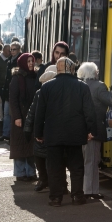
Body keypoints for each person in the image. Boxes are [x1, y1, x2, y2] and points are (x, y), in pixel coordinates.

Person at [34, 57, 96, 207]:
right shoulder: (82, 87)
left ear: (58, 69)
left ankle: (55, 198)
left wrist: (38, 133)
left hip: (53, 134)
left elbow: (39, 113)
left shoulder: (46, 87)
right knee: (76, 166)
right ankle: (77, 196)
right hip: (75, 134)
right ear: (72, 69)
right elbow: (89, 112)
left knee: (54, 167)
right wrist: (90, 130)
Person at [77, 62, 112, 199]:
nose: (98, 72)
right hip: (94, 129)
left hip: (80, 129)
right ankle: (89, 191)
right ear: (94, 73)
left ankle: (87, 189)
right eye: (97, 70)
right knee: (92, 161)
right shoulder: (99, 86)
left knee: (87, 160)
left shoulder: (79, 86)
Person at [24, 69, 56, 192]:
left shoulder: (54, 93)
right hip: (41, 132)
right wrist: (28, 128)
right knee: (40, 159)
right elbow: (32, 113)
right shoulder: (39, 93)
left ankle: (53, 182)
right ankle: (44, 179)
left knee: (52, 161)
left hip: (50, 132)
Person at [8, 53, 39, 181]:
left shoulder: (36, 77)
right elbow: (13, 100)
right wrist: (16, 117)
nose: (31, 63)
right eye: (28, 61)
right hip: (20, 116)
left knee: (31, 146)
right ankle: (20, 173)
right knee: (20, 146)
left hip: (33, 116)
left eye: (32, 61)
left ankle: (31, 172)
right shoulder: (16, 78)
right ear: (22, 63)